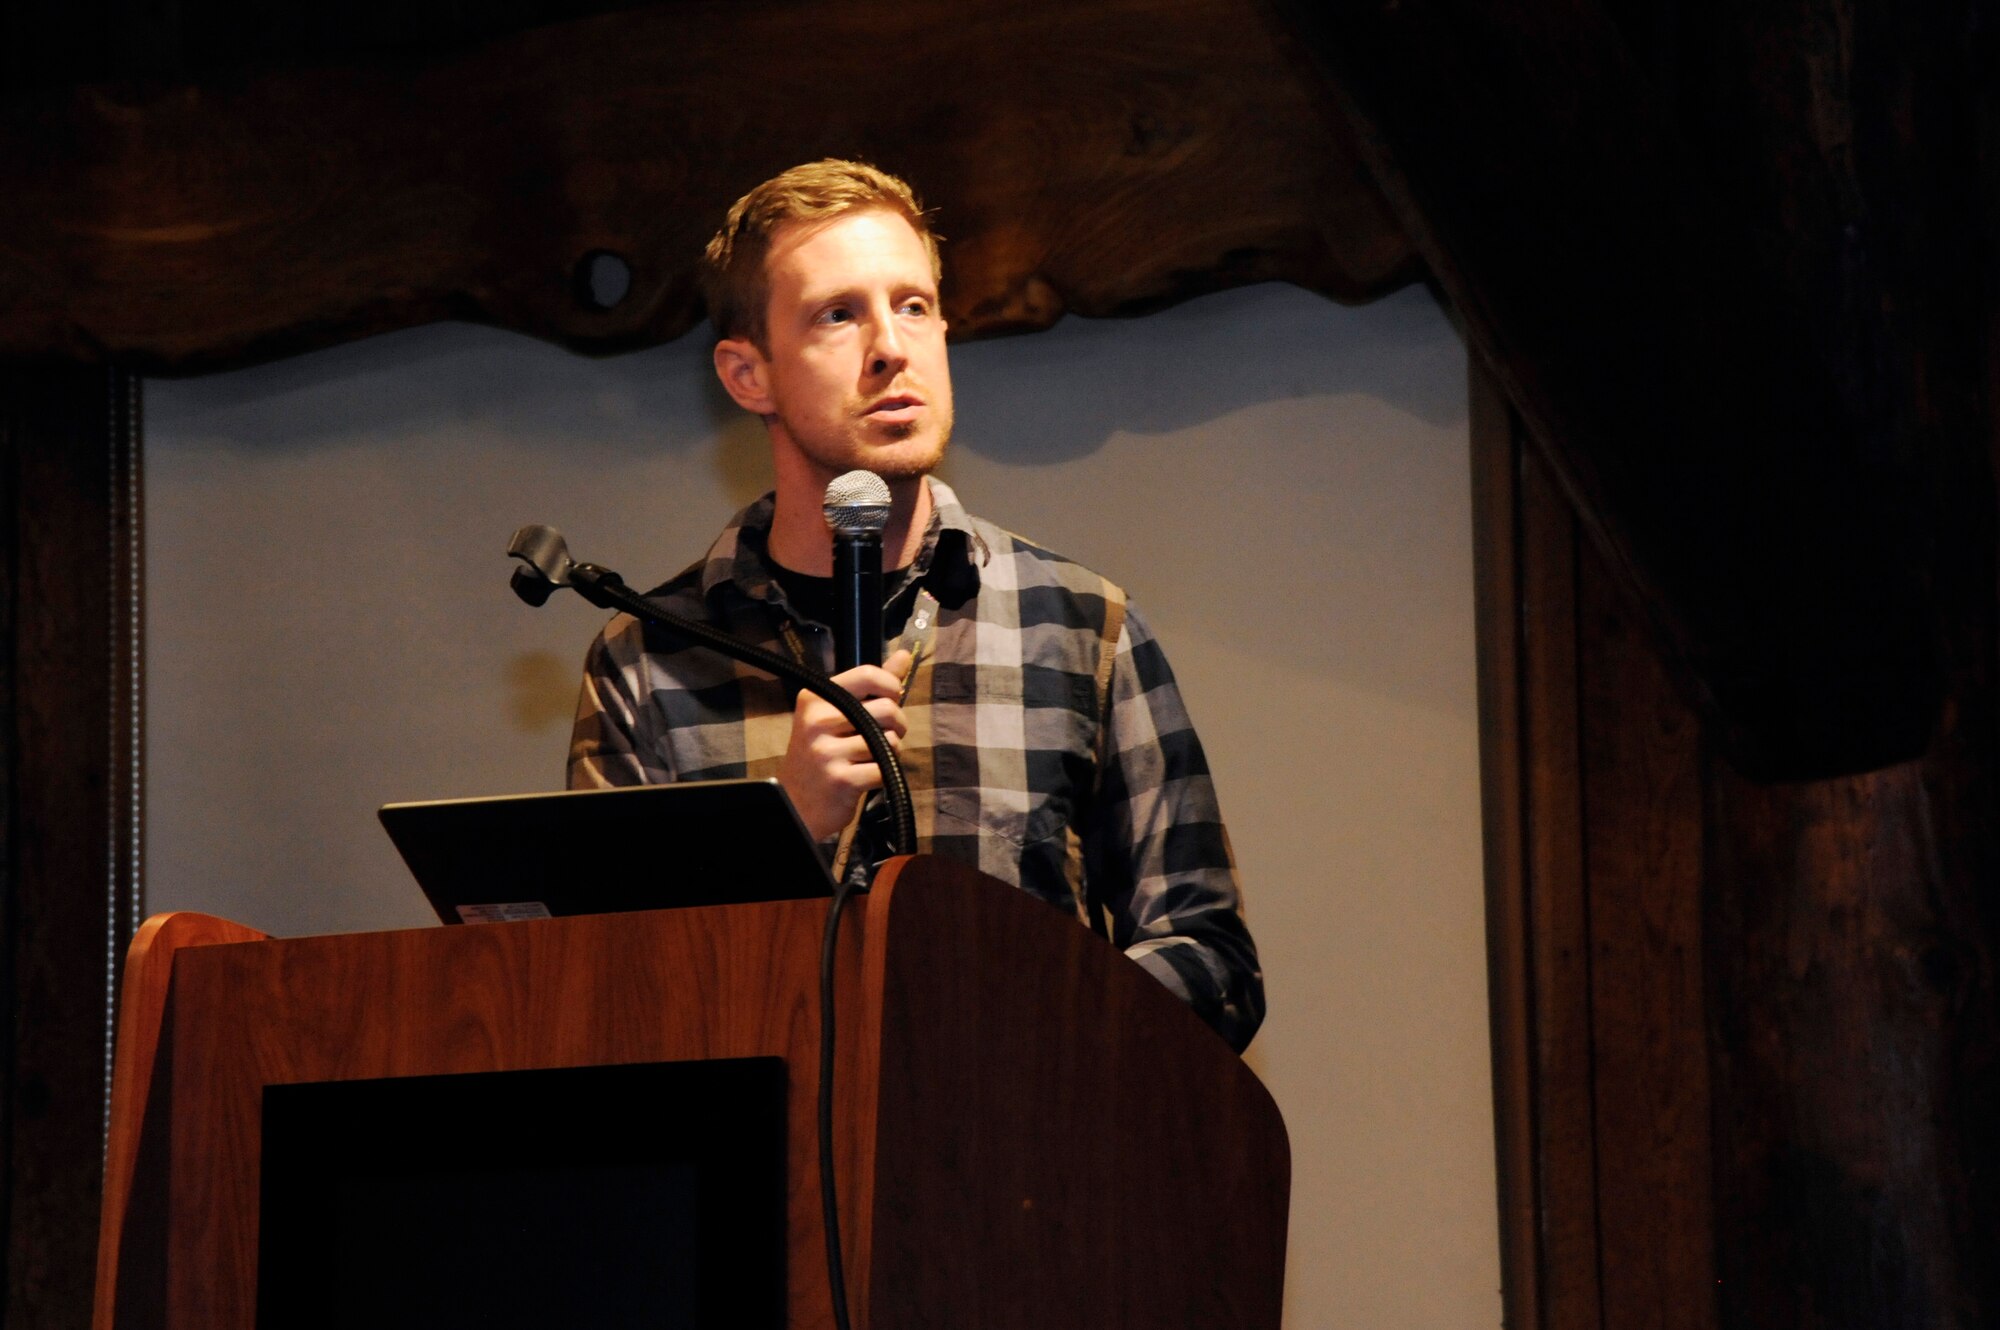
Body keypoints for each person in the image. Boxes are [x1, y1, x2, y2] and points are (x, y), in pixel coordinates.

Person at [568, 160, 1263, 1051]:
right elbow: (600, 992)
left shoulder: (1083, 627)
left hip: (1021, 1172)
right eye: (837, 314)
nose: (891, 346)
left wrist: (1019, 1020)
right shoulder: (646, 658)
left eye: (914, 305)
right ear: (749, 376)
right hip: (773, 1178)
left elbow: (1212, 959)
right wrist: (788, 829)